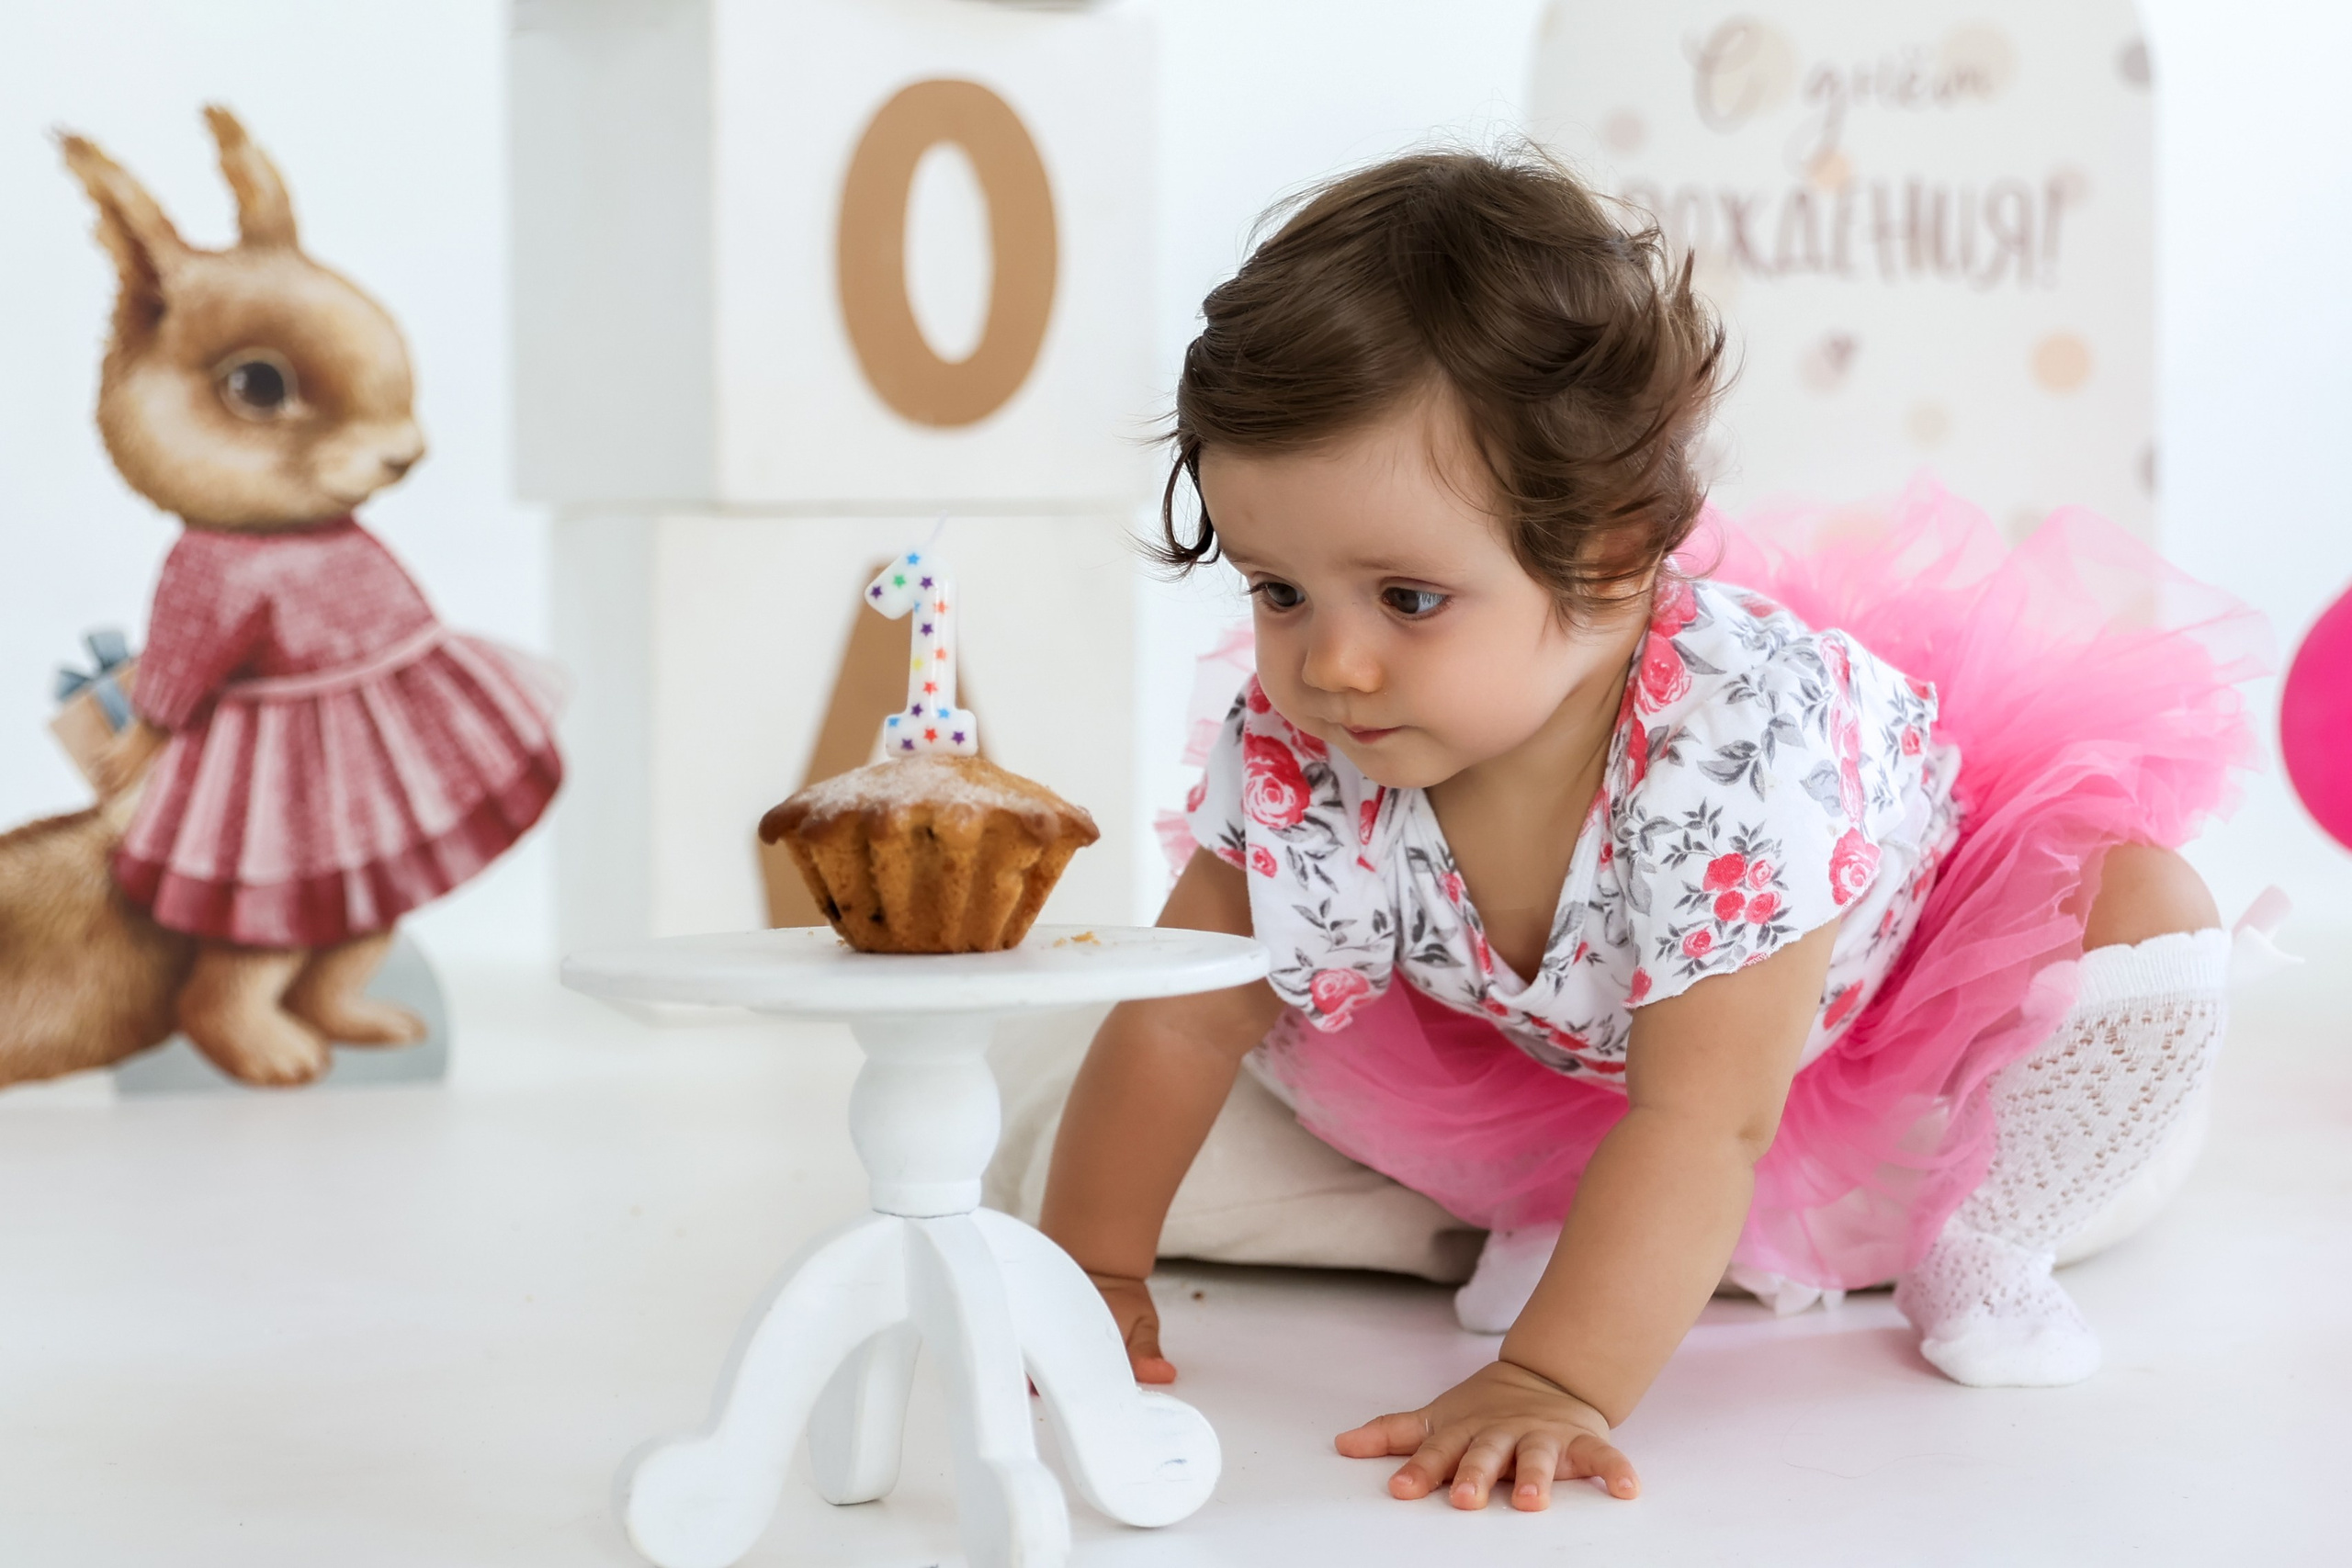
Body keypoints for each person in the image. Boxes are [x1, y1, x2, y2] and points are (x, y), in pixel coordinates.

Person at [1036, 147, 2266, 1511]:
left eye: (1407, 598)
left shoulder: (1733, 755)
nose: (1331, 667)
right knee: (1257, 1055)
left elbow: (1701, 1118)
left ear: (1612, 558)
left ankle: (1989, 1235)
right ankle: (1572, 1210)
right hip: (1596, 1046)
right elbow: (1178, 1017)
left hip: (1892, 978)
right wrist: (1093, 1270)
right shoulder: (1311, 751)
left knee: (2145, 912)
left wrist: (1558, 1379)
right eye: (1277, 589)